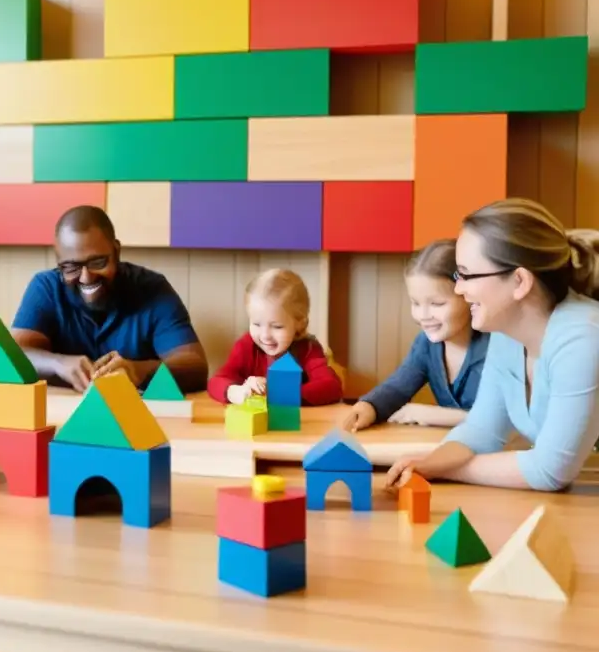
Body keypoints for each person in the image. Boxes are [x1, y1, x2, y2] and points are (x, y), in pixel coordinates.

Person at [385, 198, 599, 493]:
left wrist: (442, 468)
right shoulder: (507, 333)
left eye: (467, 275)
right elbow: (481, 430)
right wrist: (428, 463)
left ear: (520, 281)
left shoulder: (583, 339)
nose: (459, 289)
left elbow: (551, 471)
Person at [11, 205, 209, 393]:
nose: (86, 277)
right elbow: (14, 354)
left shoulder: (152, 288)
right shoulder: (46, 287)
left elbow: (195, 367)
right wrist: (58, 363)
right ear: (59, 262)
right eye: (71, 267)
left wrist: (137, 371)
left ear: (116, 251)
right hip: (62, 419)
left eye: (98, 262)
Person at [341, 240, 488, 431]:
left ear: (469, 297)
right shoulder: (426, 344)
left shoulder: (499, 345)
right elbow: (397, 388)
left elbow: (505, 421)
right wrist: (369, 407)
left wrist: (437, 415)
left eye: (437, 304)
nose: (423, 316)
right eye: (415, 303)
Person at [208, 269, 342, 405]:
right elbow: (216, 381)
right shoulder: (246, 346)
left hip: (300, 424)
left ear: (299, 324)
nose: (265, 335)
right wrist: (234, 392)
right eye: (256, 324)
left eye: (277, 327)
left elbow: (331, 387)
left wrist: (278, 394)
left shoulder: (308, 349)